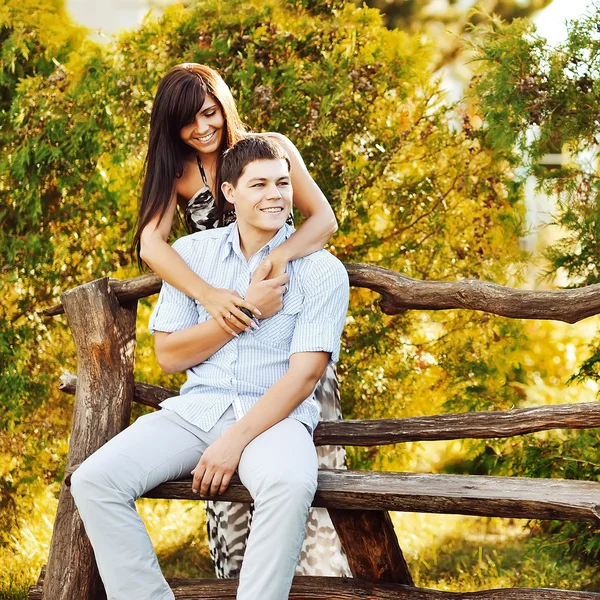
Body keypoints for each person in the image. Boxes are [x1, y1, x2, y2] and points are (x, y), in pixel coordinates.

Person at [70, 136, 350, 600]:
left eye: (282, 183)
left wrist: (232, 444)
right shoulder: (193, 254)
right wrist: (244, 312)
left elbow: (304, 377)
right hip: (198, 411)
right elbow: (171, 356)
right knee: (95, 480)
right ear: (229, 192)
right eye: (258, 184)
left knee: (288, 481)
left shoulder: (321, 270)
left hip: (273, 419)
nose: (275, 195)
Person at [132, 63, 351, 577]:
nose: (201, 128)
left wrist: (280, 259)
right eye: (187, 121)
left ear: (222, 105)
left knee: (303, 470)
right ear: (171, 126)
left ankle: (324, 581)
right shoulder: (177, 172)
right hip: (229, 341)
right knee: (229, 474)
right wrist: (209, 295)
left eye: (208, 113)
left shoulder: (268, 148)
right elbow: (150, 245)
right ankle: (244, 581)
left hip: (288, 326)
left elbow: (323, 219)